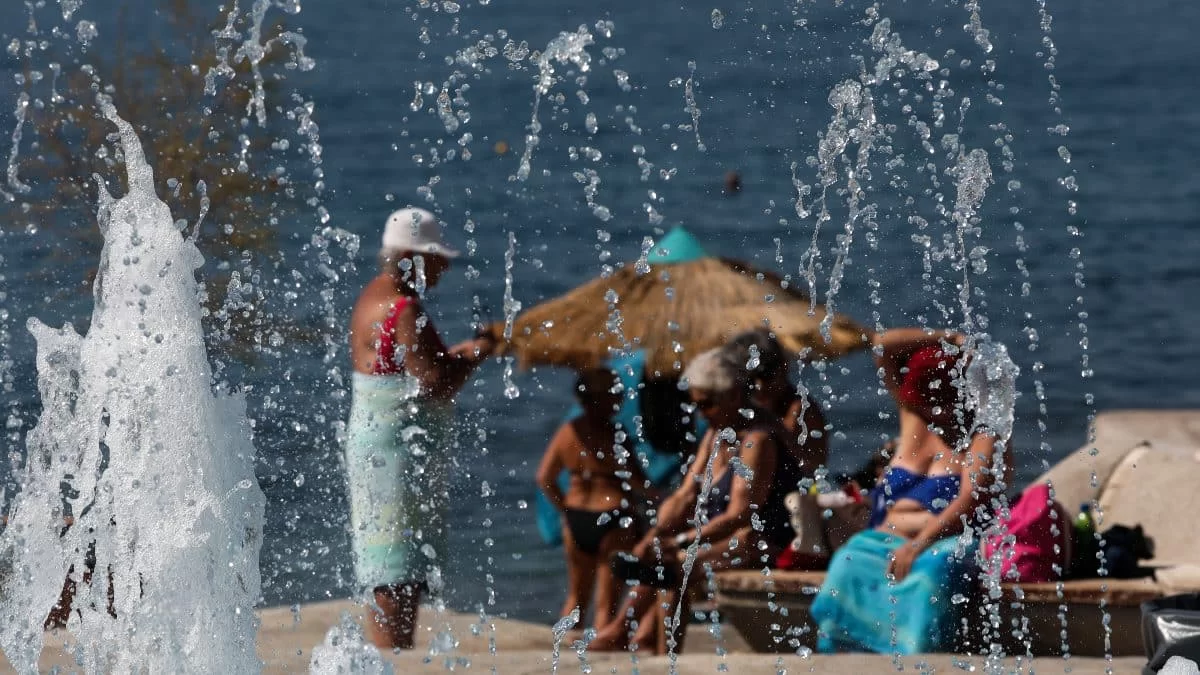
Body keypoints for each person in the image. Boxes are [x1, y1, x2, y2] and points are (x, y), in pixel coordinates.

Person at [809, 327, 1018, 654]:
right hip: (884, 541)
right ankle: (846, 654)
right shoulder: (913, 419)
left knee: (932, 577)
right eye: (929, 402)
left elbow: (969, 498)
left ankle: (913, 656)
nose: (937, 411)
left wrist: (918, 546)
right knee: (847, 561)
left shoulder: (983, 436)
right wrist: (953, 338)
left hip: (944, 544)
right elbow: (881, 344)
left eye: (946, 401)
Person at [345, 207, 496, 650]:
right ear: (412, 256)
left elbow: (411, 369)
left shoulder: (371, 296)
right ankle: (394, 654)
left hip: (375, 443)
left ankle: (388, 651)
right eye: (436, 258)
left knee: (387, 564)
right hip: (394, 454)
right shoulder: (404, 308)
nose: (444, 267)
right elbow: (436, 382)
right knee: (398, 569)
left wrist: (459, 354)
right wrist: (480, 352)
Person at [589, 348, 799, 654]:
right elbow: (685, 494)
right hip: (727, 538)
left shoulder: (758, 440)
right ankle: (640, 635)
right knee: (663, 555)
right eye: (695, 405)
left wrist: (681, 542)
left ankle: (652, 646)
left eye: (706, 404)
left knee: (678, 563)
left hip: (763, 541)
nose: (700, 414)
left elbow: (740, 514)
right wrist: (655, 535)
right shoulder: (717, 435)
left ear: (733, 395)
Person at [536, 368, 658, 629]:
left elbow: (544, 477)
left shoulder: (568, 432)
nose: (620, 399)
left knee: (575, 600)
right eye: (615, 393)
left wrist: (565, 510)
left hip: (576, 516)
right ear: (599, 397)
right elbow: (639, 482)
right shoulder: (615, 433)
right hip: (613, 517)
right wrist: (666, 497)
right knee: (606, 606)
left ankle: (562, 660)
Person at [721, 329, 828, 475]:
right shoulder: (751, 407)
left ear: (784, 366)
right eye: (751, 378)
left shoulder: (800, 409)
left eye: (766, 374)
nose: (759, 386)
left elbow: (789, 455)